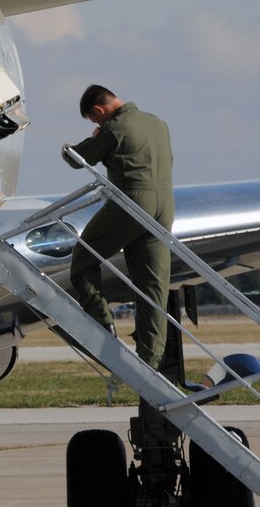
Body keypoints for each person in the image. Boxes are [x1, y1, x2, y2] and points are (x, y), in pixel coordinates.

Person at [62, 84, 174, 368]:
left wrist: (67, 150)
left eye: (95, 119)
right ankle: (151, 358)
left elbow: (80, 159)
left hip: (133, 202)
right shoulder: (158, 123)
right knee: (153, 287)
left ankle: (102, 327)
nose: (98, 124)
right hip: (165, 206)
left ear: (99, 111)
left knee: (83, 259)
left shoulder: (113, 128)